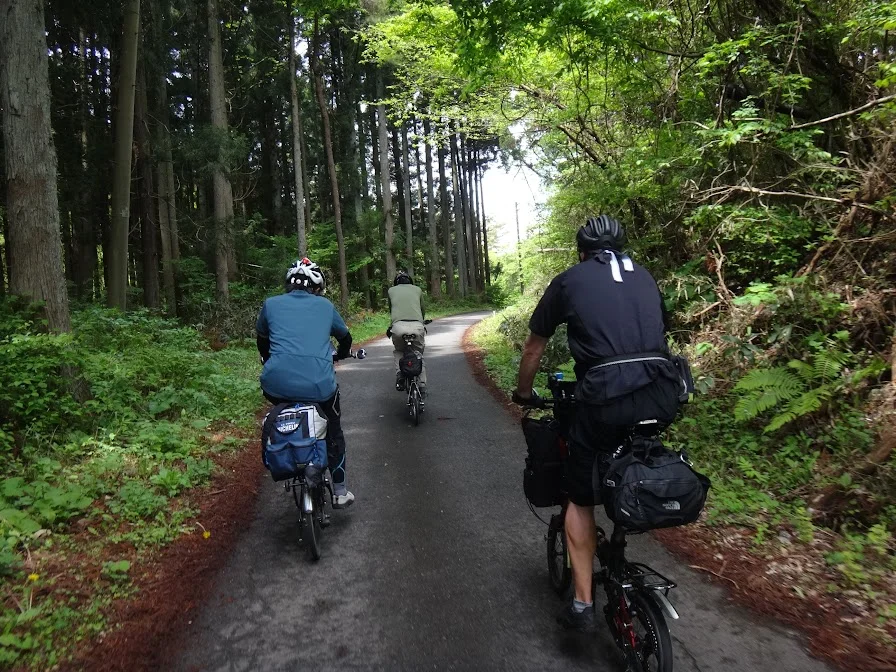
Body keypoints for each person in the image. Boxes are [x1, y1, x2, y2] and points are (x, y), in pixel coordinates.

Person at [512, 216, 681, 632]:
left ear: (582, 252)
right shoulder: (644, 276)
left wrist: (523, 393)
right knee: (634, 453)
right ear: (620, 248)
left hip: (604, 397)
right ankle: (621, 538)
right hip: (663, 393)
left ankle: (583, 604)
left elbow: (534, 347)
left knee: (579, 496)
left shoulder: (569, 281)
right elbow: (661, 329)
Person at [256, 258, 355, 508]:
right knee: (333, 430)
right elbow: (345, 338)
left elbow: (262, 341)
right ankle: (340, 491)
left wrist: (268, 360)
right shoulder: (325, 306)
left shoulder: (270, 304)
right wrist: (342, 353)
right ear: (316, 287)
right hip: (320, 387)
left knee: (284, 409)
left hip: (276, 384)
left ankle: (289, 452)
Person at [387, 270, 427, 397]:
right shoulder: (418, 290)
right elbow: (422, 309)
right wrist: (421, 321)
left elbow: (391, 309)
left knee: (399, 351)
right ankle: (422, 385)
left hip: (398, 327)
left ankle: (400, 374)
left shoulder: (391, 291)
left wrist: (391, 325)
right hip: (417, 326)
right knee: (418, 353)